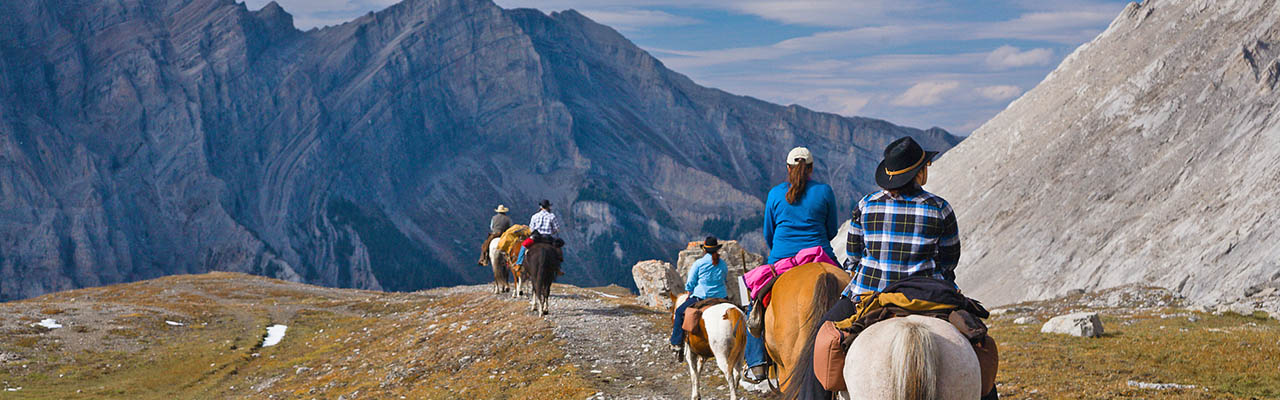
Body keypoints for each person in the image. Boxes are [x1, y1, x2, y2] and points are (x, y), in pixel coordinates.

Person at [801, 136, 989, 400]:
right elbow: (949, 261)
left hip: (870, 295)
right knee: (979, 341)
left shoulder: (866, 205)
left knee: (821, 338)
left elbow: (853, 256)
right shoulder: (939, 208)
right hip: (928, 297)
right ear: (919, 173)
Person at [744, 146, 839, 382]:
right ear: (812, 169)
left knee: (755, 303)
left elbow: (769, 232)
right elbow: (831, 230)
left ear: (787, 168)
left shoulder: (775, 194)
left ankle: (756, 363)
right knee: (853, 294)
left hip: (782, 259)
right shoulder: (824, 191)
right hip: (820, 255)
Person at [669, 237, 729, 359]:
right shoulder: (723, 264)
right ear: (717, 249)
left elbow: (690, 282)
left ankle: (676, 343)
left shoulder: (699, 263)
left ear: (705, 250)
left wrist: (689, 292)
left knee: (680, 312)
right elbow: (724, 278)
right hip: (722, 297)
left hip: (702, 296)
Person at [517, 199, 560, 267]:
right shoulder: (552, 216)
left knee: (524, 245)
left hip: (536, 238)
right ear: (548, 207)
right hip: (547, 239)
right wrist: (551, 232)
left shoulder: (535, 216)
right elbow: (557, 229)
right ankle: (558, 268)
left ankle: (519, 263)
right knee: (558, 249)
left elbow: (531, 229)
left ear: (541, 207)